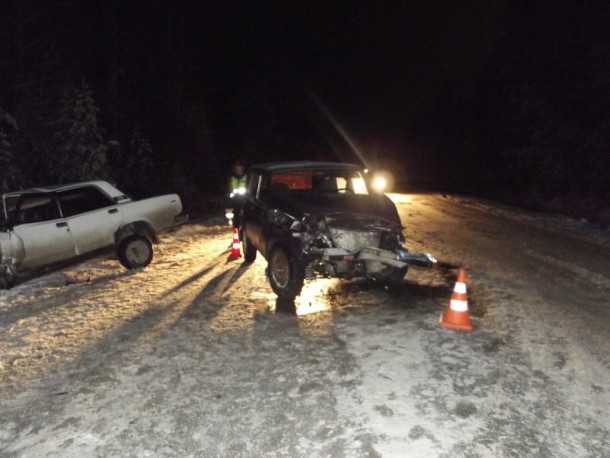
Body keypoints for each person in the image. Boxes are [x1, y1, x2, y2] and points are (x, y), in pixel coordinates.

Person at [227, 161, 247, 228]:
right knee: (235, 214)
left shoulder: (246, 177)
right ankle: (236, 228)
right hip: (235, 199)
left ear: (242, 168)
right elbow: (229, 188)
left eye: (238, 167)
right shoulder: (232, 178)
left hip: (245, 199)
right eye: (235, 167)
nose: (237, 169)